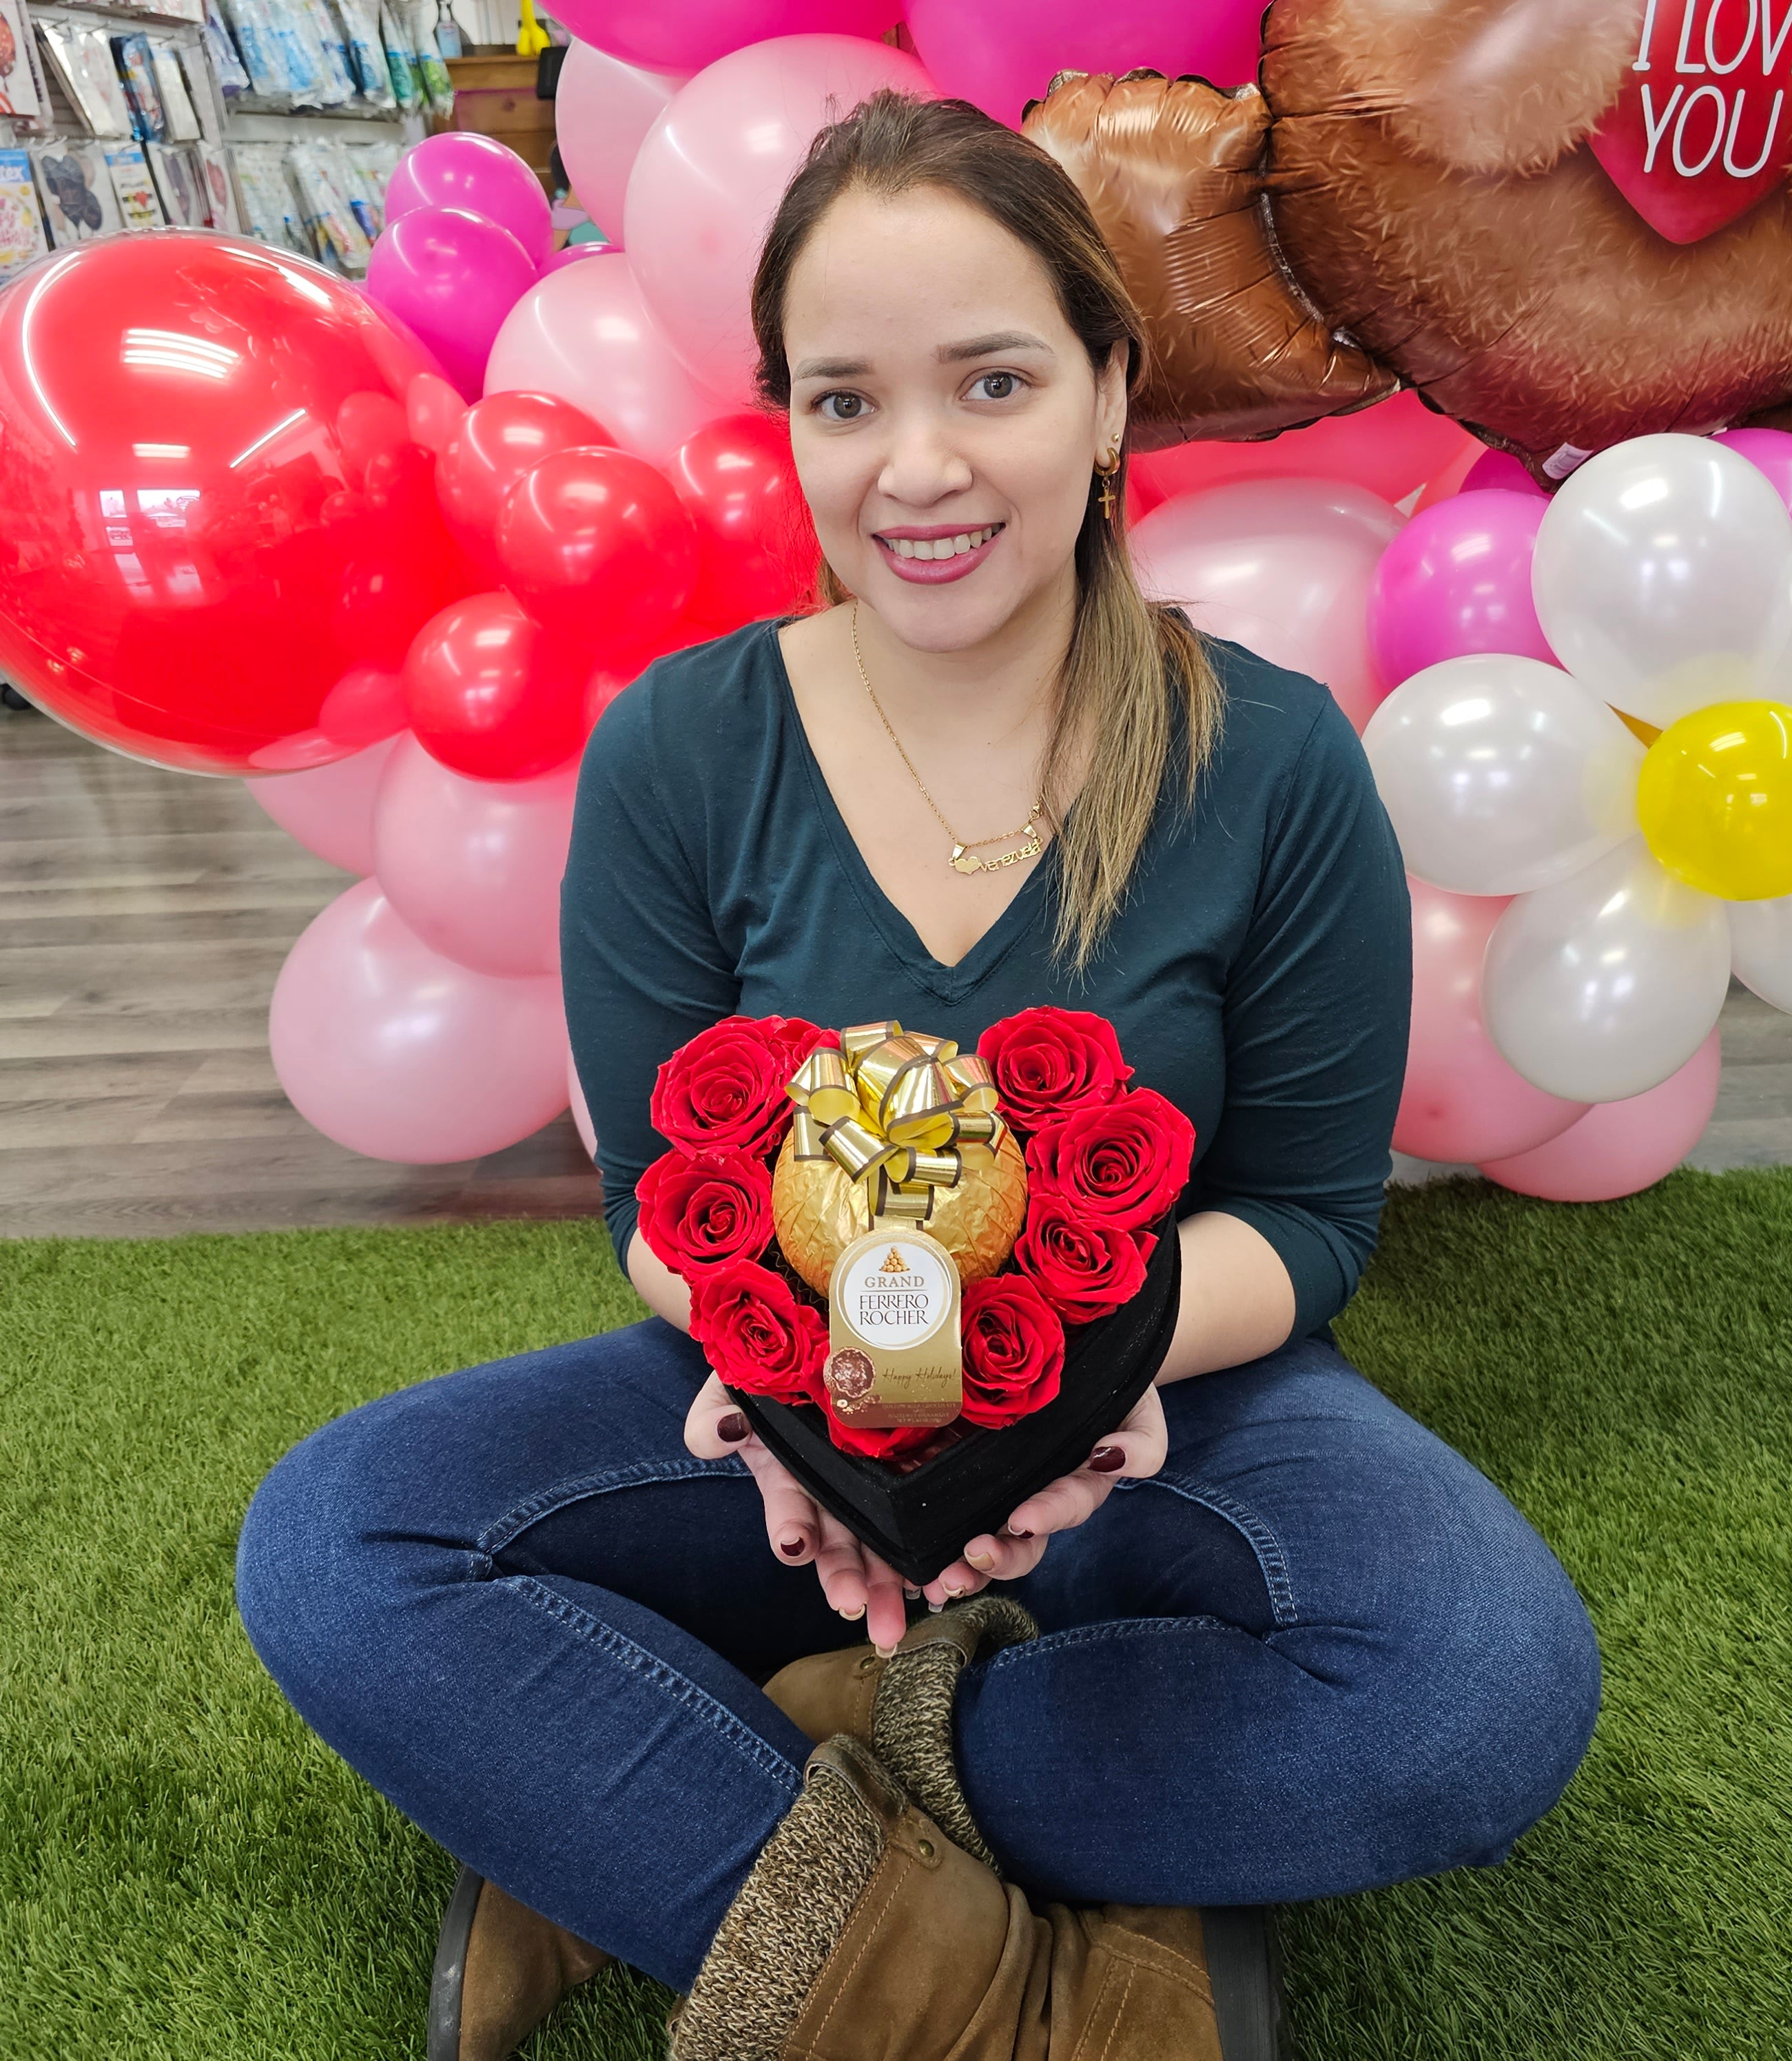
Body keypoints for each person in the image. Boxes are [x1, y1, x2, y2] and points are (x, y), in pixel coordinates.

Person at [235, 90, 1601, 2061]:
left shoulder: (1275, 759)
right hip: (772, 1406)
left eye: (992, 381)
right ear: (788, 423)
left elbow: (1304, 1220)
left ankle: (717, 1776)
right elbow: (655, 1214)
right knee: (341, 1549)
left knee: (1478, 1696)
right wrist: (803, 1411)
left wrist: (1090, 1384)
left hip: (1168, 1404)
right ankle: (990, 1982)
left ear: (1112, 393)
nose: (919, 467)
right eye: (845, 402)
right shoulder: (683, 755)